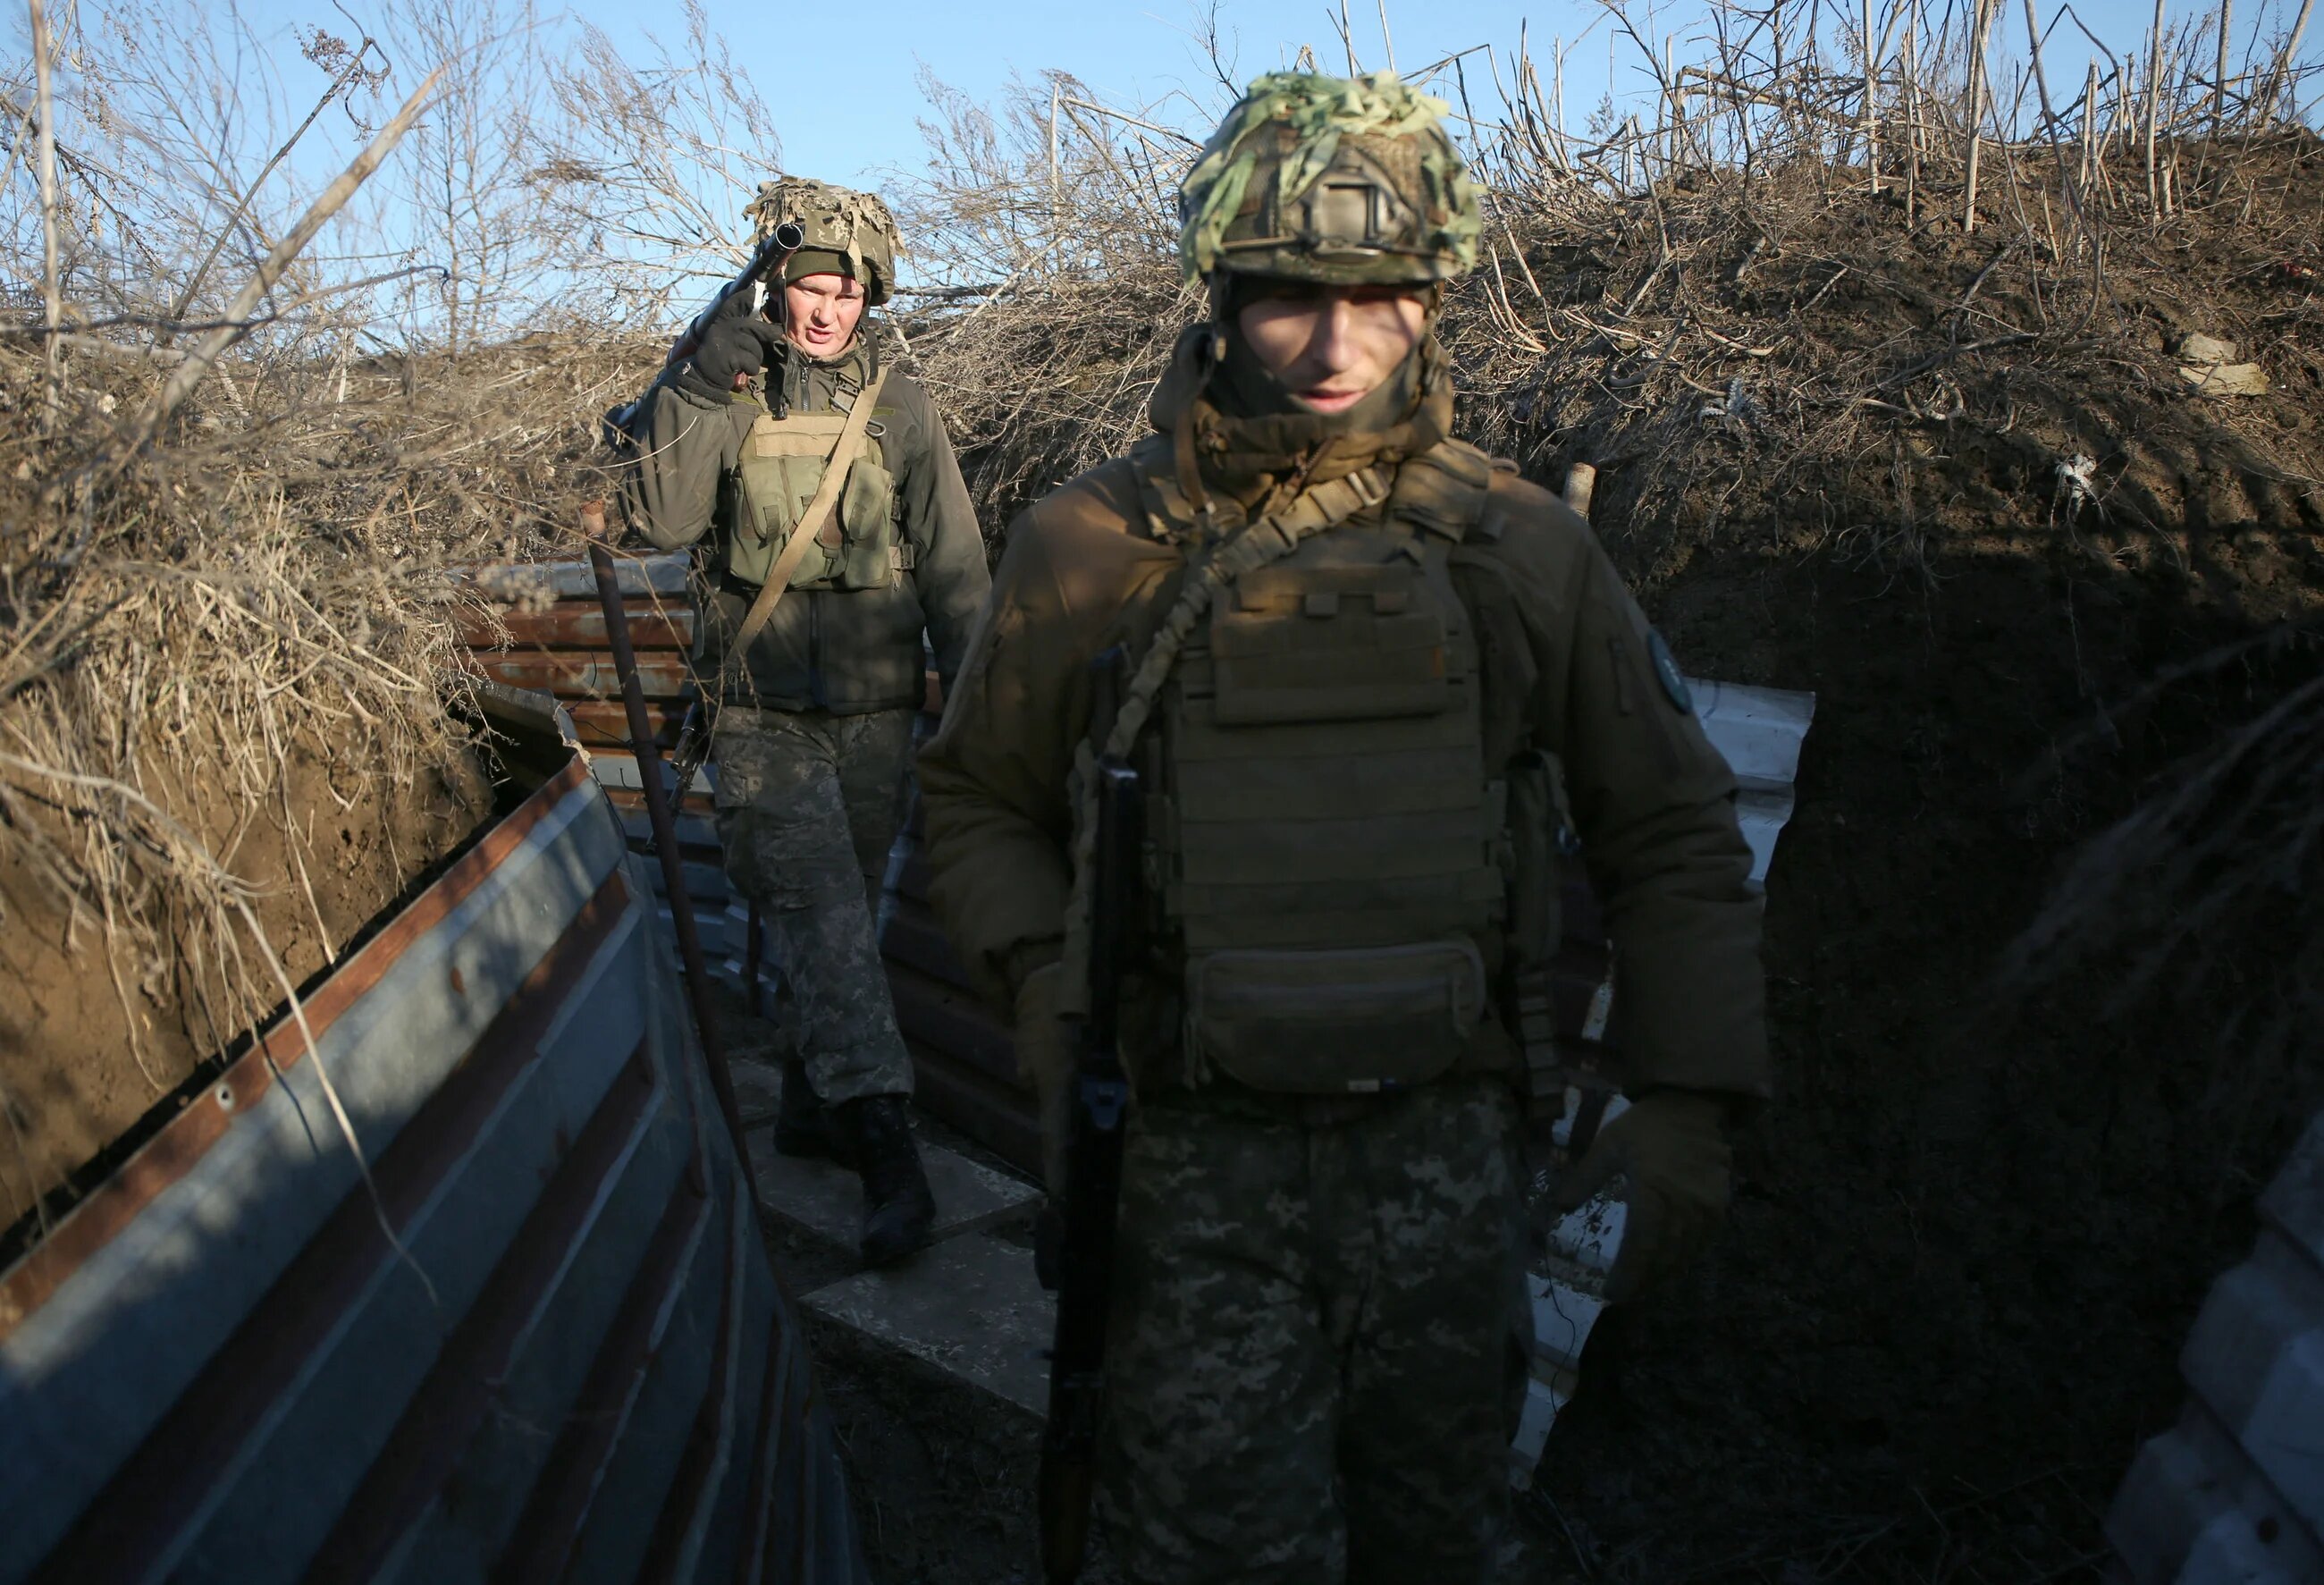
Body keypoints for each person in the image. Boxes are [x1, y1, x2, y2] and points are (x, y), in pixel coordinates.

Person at [916, 72, 1769, 1583]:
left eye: (1383, 297)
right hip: (1186, 1174)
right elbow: (977, 796)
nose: (1335, 347)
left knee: (1439, 1543)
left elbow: (1673, 824)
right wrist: (1057, 1003)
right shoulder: (1087, 545)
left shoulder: (1521, 547)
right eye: (1290, 299)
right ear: (1224, 293)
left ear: (1435, 295)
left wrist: (1690, 1093)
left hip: (1445, 1164)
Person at [617, 176, 989, 1267]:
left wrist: (974, 710)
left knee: (840, 923)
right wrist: (694, 378)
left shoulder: (904, 408)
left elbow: (958, 569)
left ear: (872, 295)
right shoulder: (724, 391)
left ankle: (804, 1109)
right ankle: (888, 1154)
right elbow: (658, 517)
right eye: (807, 287)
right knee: (824, 916)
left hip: (877, 716)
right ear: (776, 288)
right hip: (759, 716)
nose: (825, 310)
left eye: (846, 290)